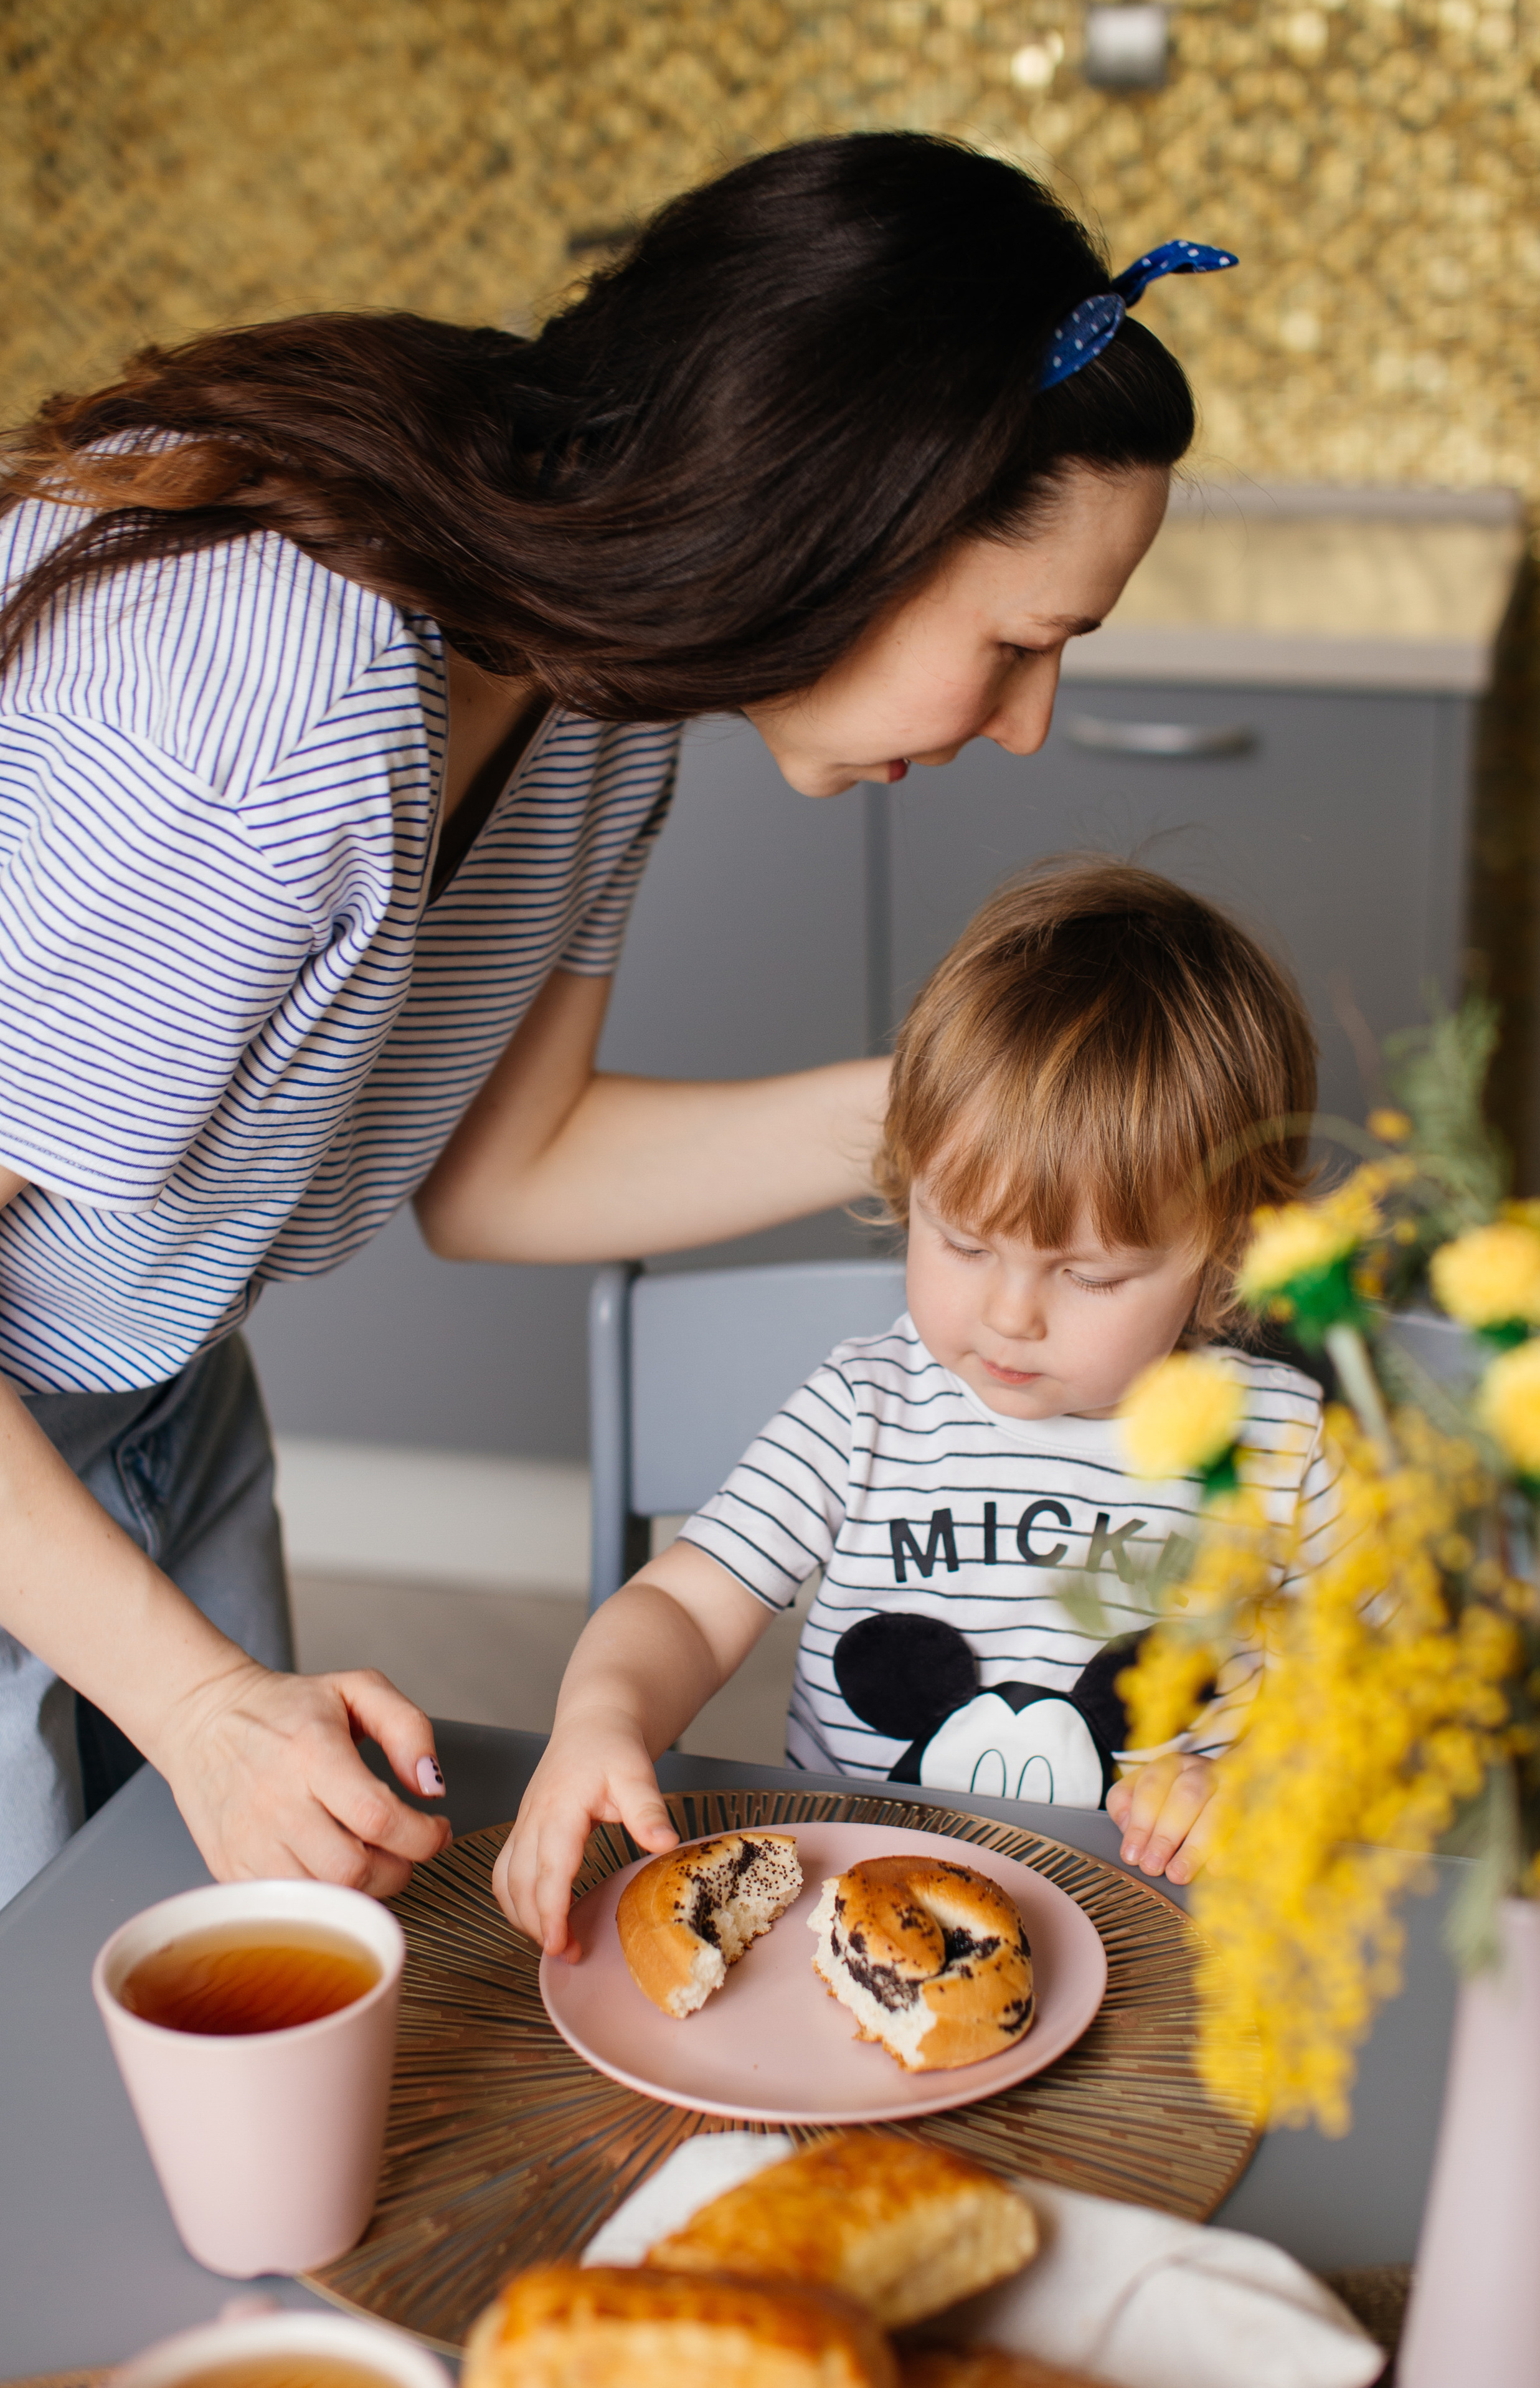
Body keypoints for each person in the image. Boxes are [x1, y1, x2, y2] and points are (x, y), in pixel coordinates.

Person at [0, 130, 1212, 1909]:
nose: (1028, 724)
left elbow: (506, 1171)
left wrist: (967, 1120)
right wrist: (197, 1705)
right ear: (843, 524)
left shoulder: (599, 683)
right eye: (1026, 640)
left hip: (153, 1403)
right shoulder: (267, 718)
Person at [498, 859, 1338, 1952]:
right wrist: (601, 1718)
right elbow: (690, 1609)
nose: (1011, 1314)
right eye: (961, 1240)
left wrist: (1261, 1781)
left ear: (1227, 1245)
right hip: (856, 1929)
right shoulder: (865, 1408)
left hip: (1160, 1942)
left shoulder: (1279, 1444)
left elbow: (1390, 1698)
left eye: (1089, 1275)